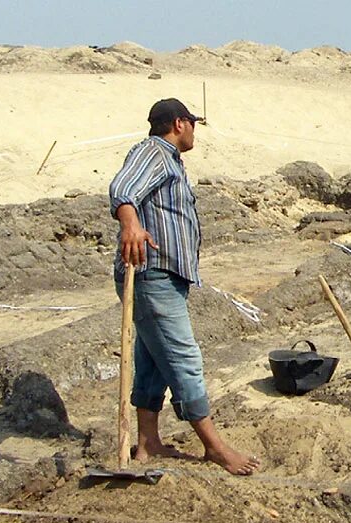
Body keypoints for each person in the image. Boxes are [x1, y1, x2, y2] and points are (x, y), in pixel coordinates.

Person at [109, 98, 260, 476]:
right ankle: (214, 447)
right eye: (192, 124)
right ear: (179, 124)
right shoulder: (154, 153)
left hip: (164, 275)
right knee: (184, 359)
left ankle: (147, 443)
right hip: (152, 274)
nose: (194, 131)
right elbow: (123, 188)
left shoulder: (169, 161)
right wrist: (131, 225)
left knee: (152, 360)